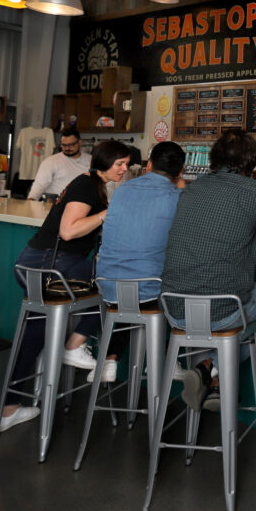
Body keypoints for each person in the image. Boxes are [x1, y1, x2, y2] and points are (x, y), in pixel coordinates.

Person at [0, 140, 131, 433]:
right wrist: (107, 214)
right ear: (104, 162)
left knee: (33, 336)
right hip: (52, 267)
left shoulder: (90, 185)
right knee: (113, 282)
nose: (125, 169)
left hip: (34, 266)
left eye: (127, 164)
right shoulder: (85, 185)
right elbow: (69, 231)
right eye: (120, 163)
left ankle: (8, 410)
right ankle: (74, 345)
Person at [160, 129, 256, 412]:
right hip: (223, 308)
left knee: (217, 320)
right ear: (251, 161)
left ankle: (209, 371)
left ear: (213, 158)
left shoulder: (192, 188)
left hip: (173, 307)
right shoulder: (255, 192)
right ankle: (214, 370)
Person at [94, 141, 187, 383]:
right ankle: (167, 360)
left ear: (148, 165)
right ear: (181, 171)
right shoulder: (179, 197)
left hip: (107, 286)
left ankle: (111, 357)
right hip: (148, 290)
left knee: (135, 288)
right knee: (177, 283)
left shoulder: (122, 189)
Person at [27, 127, 90, 200]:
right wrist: (30, 201)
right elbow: (39, 185)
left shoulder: (91, 160)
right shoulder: (51, 161)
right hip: (55, 202)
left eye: (71, 145)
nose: (67, 148)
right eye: (63, 145)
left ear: (80, 142)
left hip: (83, 203)